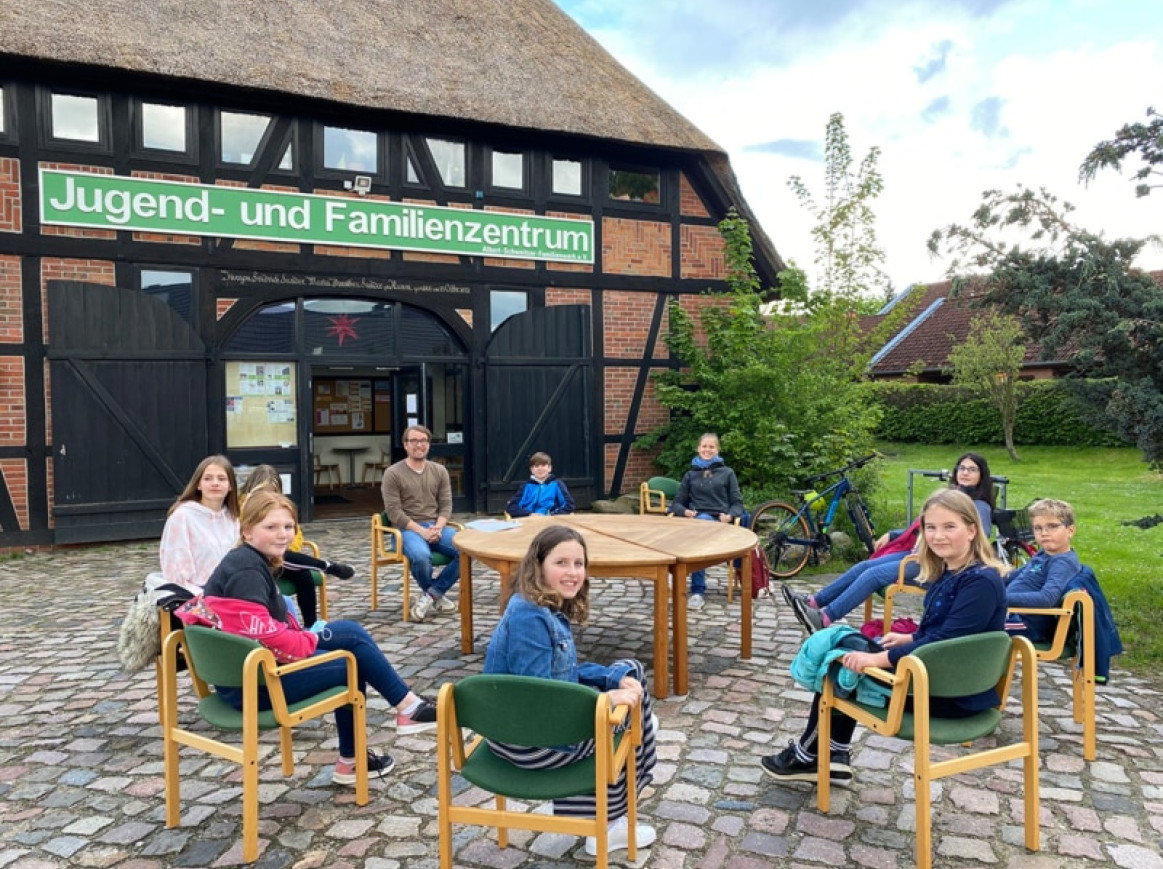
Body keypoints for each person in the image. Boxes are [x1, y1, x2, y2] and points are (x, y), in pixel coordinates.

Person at [176, 490, 438, 785]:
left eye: (288, 527)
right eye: (271, 527)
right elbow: (270, 636)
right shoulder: (247, 571)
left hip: (245, 674)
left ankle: (406, 708)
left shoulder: (245, 558)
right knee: (350, 666)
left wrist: (302, 634)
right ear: (248, 531)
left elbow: (262, 632)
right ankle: (363, 752)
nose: (282, 535)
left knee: (350, 632)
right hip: (254, 686)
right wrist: (308, 641)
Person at [762, 488, 1007, 784]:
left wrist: (878, 658)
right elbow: (951, 632)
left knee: (838, 665)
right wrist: (910, 638)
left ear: (971, 530)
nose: (938, 535)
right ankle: (835, 754)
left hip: (947, 693)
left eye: (949, 527)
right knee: (850, 644)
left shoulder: (981, 582)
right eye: (931, 528)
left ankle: (807, 756)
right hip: (938, 679)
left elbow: (944, 644)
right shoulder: (956, 573)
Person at [483, 525, 658, 857]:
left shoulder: (539, 607)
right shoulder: (529, 617)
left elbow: (560, 676)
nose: (573, 572)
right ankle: (606, 827)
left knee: (629, 671)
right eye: (561, 562)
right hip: (529, 744)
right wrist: (604, 702)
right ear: (538, 565)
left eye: (579, 563)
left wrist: (610, 678)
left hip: (526, 730)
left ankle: (636, 725)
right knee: (621, 723)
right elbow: (541, 697)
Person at [785, 451, 996, 633]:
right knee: (865, 565)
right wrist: (894, 535)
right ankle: (814, 602)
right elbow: (922, 526)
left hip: (936, 566)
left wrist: (938, 549)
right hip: (919, 554)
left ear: (981, 476)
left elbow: (977, 541)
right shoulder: (952, 496)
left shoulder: (979, 507)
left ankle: (824, 619)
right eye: (962, 468)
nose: (966, 472)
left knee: (873, 574)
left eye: (972, 469)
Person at [239, 465, 356, 627]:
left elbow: (296, 535)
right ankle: (328, 567)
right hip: (254, 559)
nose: (268, 496)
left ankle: (311, 626)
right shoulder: (243, 506)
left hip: (281, 559)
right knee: (277, 554)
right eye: (264, 491)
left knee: (303, 574)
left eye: (273, 491)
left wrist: (283, 543)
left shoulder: (280, 507)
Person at [381, 424, 460, 621]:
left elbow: (446, 505)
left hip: (435, 526)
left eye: (423, 441)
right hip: (406, 530)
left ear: (429, 444)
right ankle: (436, 596)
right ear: (405, 445)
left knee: (467, 551)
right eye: (414, 441)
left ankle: (431, 595)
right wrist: (422, 532)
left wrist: (438, 527)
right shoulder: (393, 473)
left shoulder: (439, 471)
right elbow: (394, 513)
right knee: (421, 556)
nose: (419, 445)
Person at [666, 433, 745, 610]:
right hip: (696, 521)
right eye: (704, 446)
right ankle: (683, 580)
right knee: (690, 530)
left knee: (697, 533)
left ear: (717, 450)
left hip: (720, 522)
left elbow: (737, 503)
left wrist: (730, 515)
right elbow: (676, 504)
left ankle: (697, 591)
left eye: (711, 447)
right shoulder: (690, 475)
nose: (707, 450)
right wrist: (684, 511)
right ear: (698, 449)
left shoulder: (727, 473)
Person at [158, 455, 240, 594]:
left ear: (230, 485)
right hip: (197, 591)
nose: (215, 483)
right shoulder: (182, 517)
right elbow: (175, 570)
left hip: (230, 588)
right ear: (198, 484)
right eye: (208, 478)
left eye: (221, 478)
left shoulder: (232, 519)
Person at [1003, 498, 1080, 642]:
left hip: (1026, 624)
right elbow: (1015, 576)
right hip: (1011, 614)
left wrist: (999, 599)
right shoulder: (1043, 554)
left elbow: (1047, 598)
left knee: (966, 624)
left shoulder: (1062, 562)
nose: (1044, 533)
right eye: (1038, 528)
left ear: (1070, 531)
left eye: (1052, 526)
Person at [504, 451, 575, 517]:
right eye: (536, 466)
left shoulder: (557, 484)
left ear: (549, 468)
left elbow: (569, 505)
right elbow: (511, 507)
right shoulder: (525, 487)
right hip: (528, 521)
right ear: (532, 470)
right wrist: (530, 514)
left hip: (550, 521)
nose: (540, 469)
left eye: (543, 465)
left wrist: (551, 515)